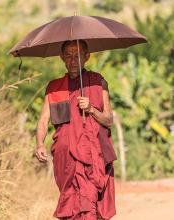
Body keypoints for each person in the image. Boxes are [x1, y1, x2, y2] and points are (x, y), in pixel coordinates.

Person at [35, 39, 117, 220]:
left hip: (93, 156)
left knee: (89, 204)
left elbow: (109, 120)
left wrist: (91, 110)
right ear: (62, 57)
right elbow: (43, 120)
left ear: (87, 57)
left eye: (77, 56)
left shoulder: (97, 83)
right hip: (66, 159)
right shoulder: (54, 87)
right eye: (69, 56)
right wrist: (40, 143)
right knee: (71, 205)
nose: (73, 61)